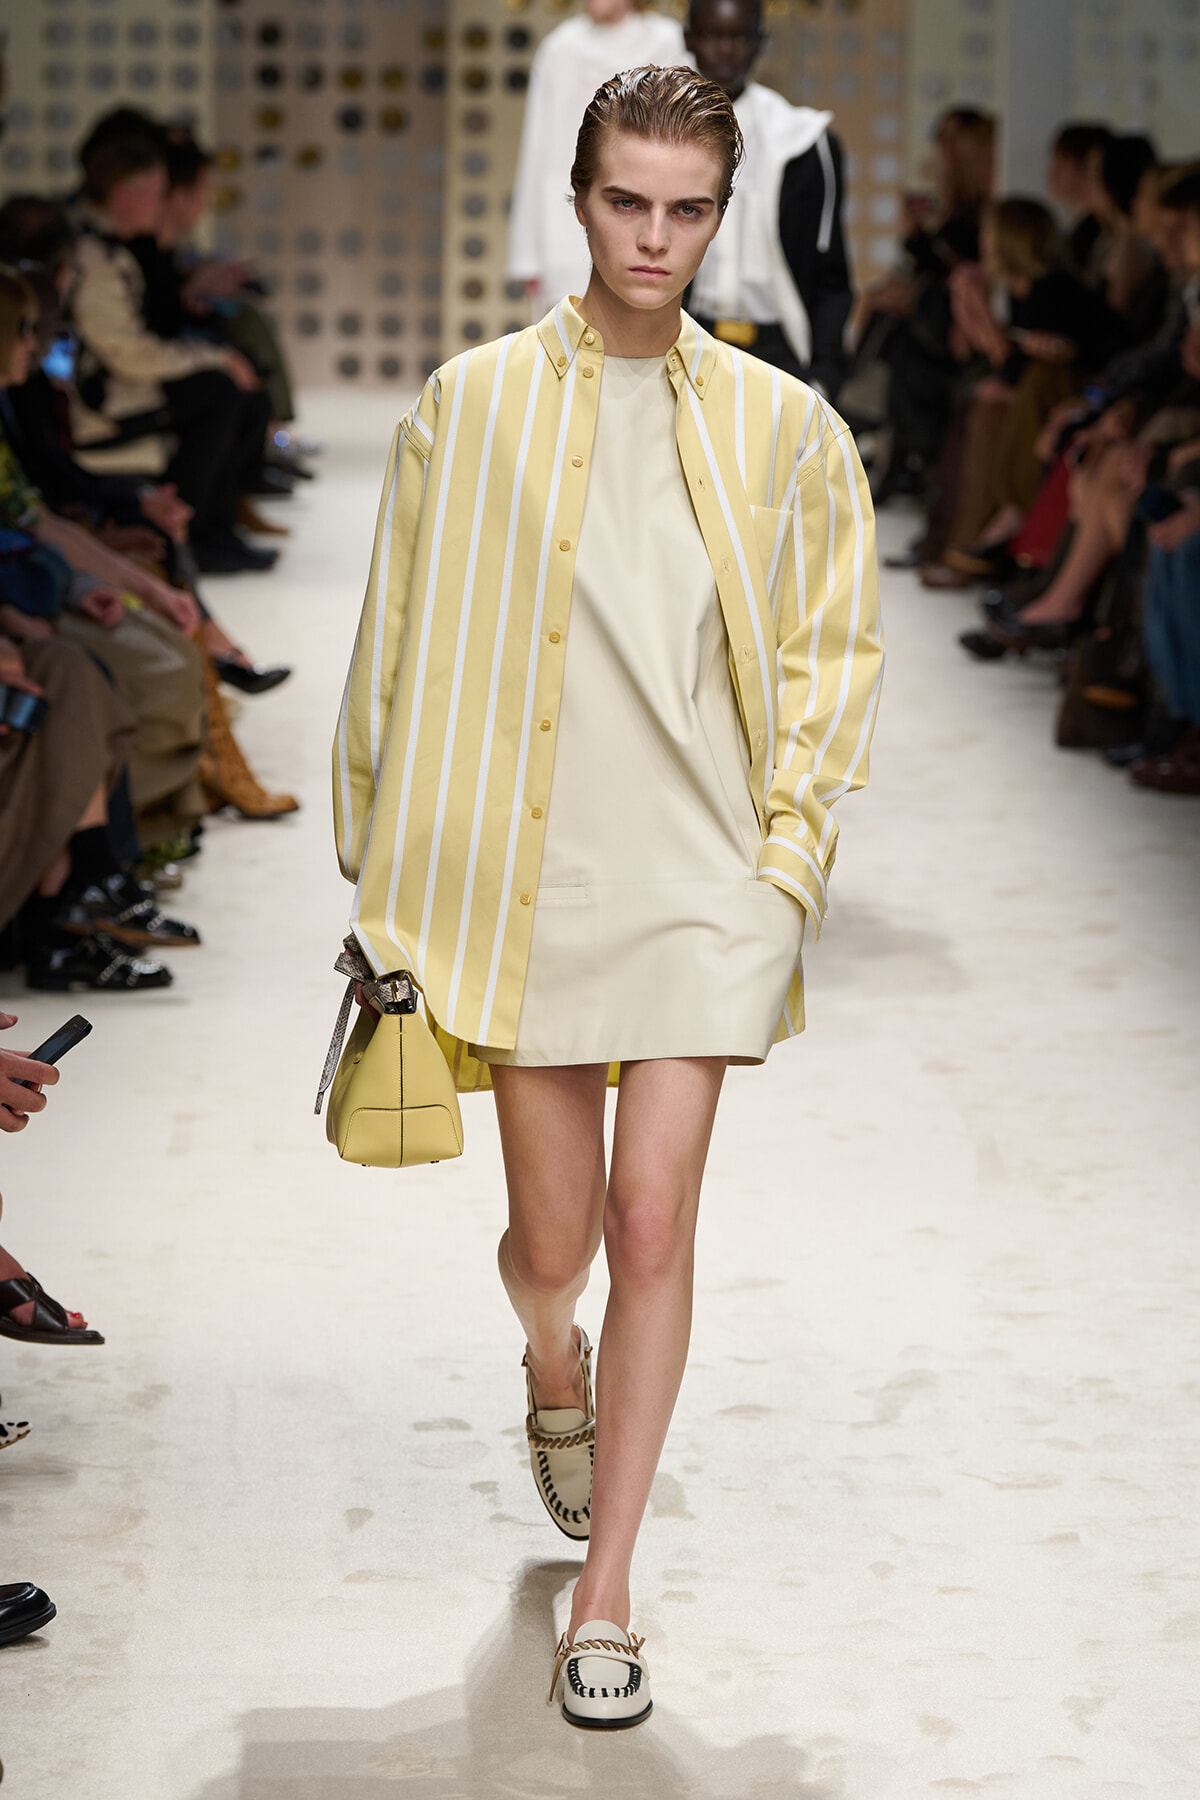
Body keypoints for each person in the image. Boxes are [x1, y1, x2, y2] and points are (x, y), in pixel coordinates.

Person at [335, 65, 881, 1727]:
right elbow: (397, 643)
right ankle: (548, 1361)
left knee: (654, 1220)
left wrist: (787, 867)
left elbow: (830, 654)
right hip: (525, 877)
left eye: (688, 209)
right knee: (552, 1240)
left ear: (722, 214)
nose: (656, 239)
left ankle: (611, 1587)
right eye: (627, 202)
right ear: (577, 200)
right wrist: (383, 872)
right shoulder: (470, 403)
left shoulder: (785, 427)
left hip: (704, 876)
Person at [69, 123, 276, 575]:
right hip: (107, 408)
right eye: (156, 191)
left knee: (226, 387)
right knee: (219, 393)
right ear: (126, 193)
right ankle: (198, 533)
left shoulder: (112, 251)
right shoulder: (96, 259)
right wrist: (214, 357)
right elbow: (129, 353)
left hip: (124, 388)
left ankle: (212, 530)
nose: (162, 203)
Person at [684, 0, 852, 398]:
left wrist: (825, 375)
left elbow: (831, 272)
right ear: (690, 38)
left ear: (760, 42)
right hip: (689, 337)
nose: (725, 50)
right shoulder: (663, 136)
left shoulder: (805, 143)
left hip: (780, 349)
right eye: (713, 35)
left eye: (739, 37)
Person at [506, 0, 686, 310]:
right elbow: (537, 149)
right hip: (565, 220)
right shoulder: (560, 47)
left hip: (644, 214)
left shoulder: (666, 41)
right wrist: (528, 256)